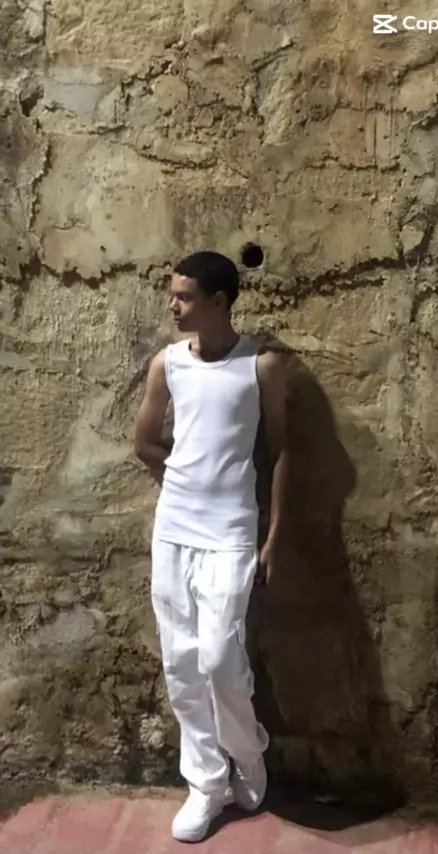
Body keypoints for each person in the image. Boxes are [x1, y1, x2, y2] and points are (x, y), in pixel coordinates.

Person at [134, 250, 288, 843]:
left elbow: (280, 452)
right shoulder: (168, 364)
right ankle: (206, 783)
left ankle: (248, 754)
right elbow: (145, 443)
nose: (172, 306)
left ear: (219, 302)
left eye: (184, 296)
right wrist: (183, 483)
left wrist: (273, 536)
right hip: (174, 529)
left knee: (220, 657)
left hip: (230, 531)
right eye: (173, 295)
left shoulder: (260, 366)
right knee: (181, 663)